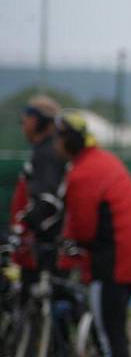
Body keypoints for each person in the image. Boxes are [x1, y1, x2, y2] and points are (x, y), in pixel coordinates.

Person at [55, 110, 131, 357]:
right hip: (130, 262)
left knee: (111, 340)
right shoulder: (102, 161)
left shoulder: (83, 173)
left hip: (112, 266)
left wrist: (67, 254)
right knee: (116, 335)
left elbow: (82, 229)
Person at [8, 94, 66, 275]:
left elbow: (46, 201)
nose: (23, 123)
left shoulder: (47, 153)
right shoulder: (44, 150)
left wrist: (25, 225)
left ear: (42, 122)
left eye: (29, 118)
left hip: (42, 245)